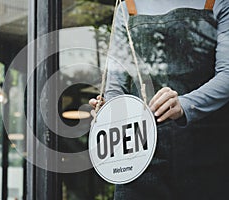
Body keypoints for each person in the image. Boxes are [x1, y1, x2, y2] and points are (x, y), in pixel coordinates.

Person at [89, 0, 229, 199]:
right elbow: (114, 86)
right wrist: (110, 111)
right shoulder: (127, 6)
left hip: (206, 151)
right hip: (139, 155)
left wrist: (185, 104)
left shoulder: (217, 3)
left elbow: (227, 73)